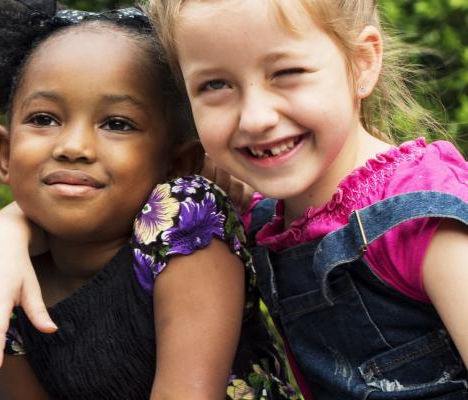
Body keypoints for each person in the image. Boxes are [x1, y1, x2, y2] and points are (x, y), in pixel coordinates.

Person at [0, 1, 295, 398]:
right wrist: (1, 234)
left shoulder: (183, 216)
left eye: (117, 124)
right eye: (44, 119)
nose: (74, 146)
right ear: (4, 153)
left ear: (177, 162)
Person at [143, 0, 468, 397]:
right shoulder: (259, 217)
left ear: (362, 64)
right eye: (215, 85)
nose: (255, 118)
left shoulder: (424, 218)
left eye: (287, 73)